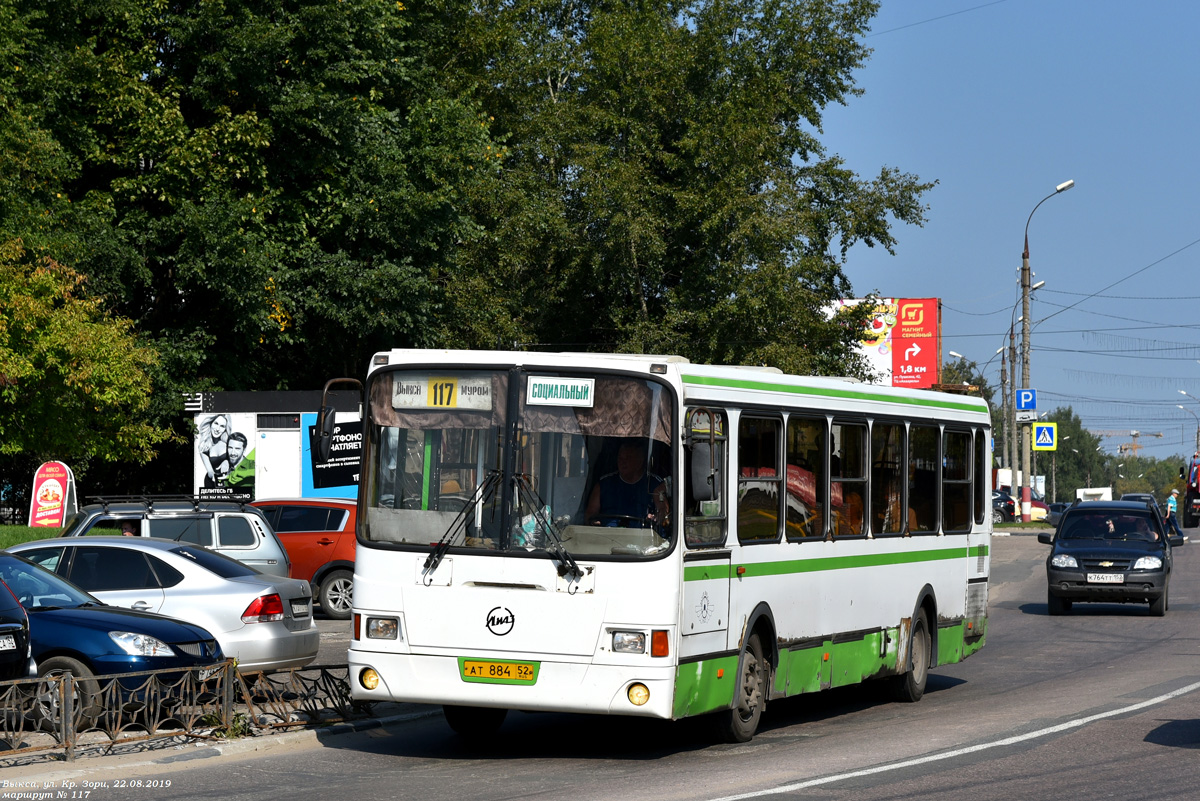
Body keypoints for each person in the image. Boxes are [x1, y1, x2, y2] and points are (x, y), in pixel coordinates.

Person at [586, 440, 667, 526]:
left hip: (642, 536)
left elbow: (663, 510)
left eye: (628, 458)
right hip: (607, 536)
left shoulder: (655, 484)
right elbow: (590, 515)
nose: (622, 462)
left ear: (640, 460)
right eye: (620, 458)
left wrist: (656, 518)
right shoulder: (603, 484)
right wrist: (593, 522)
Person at [198, 414, 231, 485]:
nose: (217, 429)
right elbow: (210, 472)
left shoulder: (229, 444)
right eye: (216, 423)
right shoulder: (204, 447)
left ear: (225, 429)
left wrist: (226, 461)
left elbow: (237, 464)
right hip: (212, 482)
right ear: (211, 423)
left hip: (229, 481)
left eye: (222, 426)